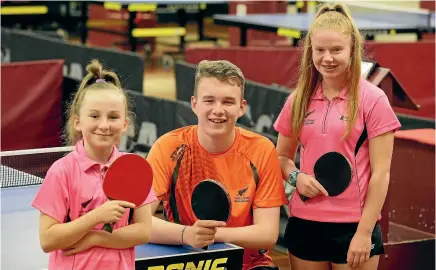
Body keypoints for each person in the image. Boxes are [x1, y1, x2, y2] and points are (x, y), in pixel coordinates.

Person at [273, 3, 402, 270]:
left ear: (352, 50)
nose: (327, 58)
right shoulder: (298, 100)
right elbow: (282, 157)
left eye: (336, 50)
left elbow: (381, 173)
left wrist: (365, 232)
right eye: (319, 50)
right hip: (305, 223)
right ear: (310, 52)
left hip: (354, 226)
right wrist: (297, 178)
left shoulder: (372, 99)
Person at [146, 60, 288, 270]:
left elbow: (267, 235)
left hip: (248, 265)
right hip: (186, 260)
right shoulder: (168, 147)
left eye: (228, 102)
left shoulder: (262, 150)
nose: (218, 110)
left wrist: (206, 235)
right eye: (209, 100)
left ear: (242, 108)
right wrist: (186, 235)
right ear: (195, 104)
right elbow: (139, 222)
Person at [31, 59, 157, 270]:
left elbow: (143, 231)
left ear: (125, 124)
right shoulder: (62, 171)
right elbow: (48, 240)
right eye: (94, 116)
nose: (104, 125)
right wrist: (96, 217)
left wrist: (96, 238)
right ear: (77, 121)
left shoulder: (133, 168)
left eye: (114, 117)